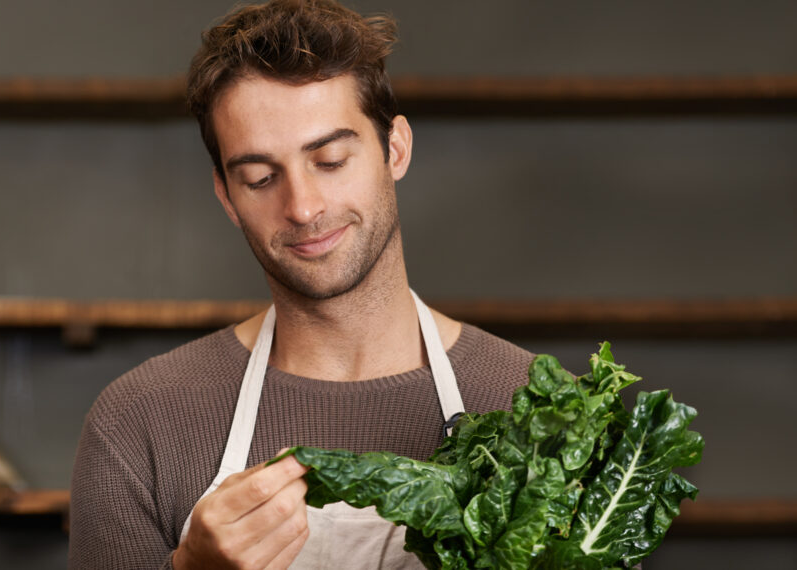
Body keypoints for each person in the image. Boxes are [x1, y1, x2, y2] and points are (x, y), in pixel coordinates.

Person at [69, 0, 533, 567]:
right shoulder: (141, 421)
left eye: (331, 160)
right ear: (226, 196)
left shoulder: (534, 406)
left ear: (396, 148)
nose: (303, 207)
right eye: (261, 178)